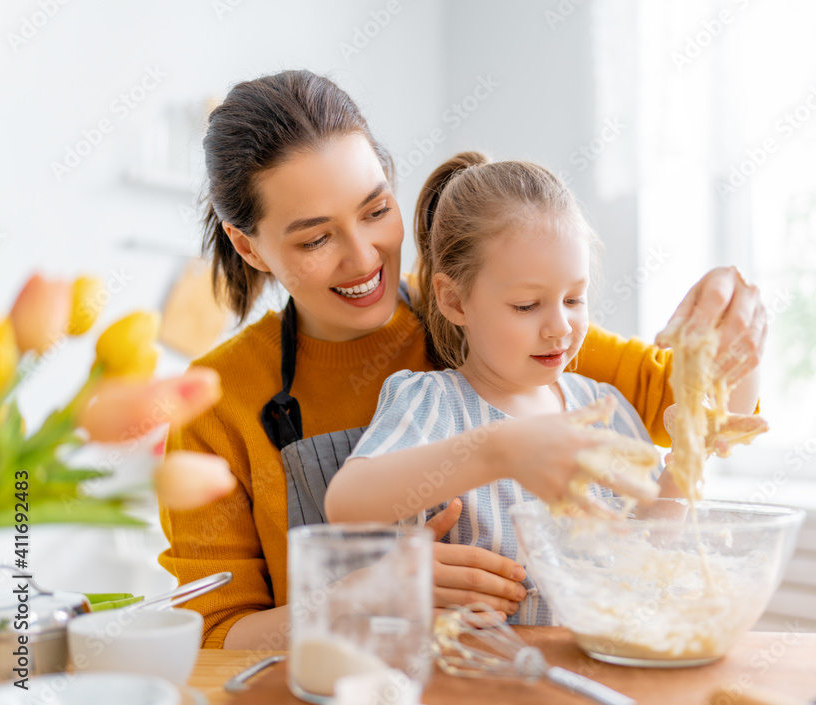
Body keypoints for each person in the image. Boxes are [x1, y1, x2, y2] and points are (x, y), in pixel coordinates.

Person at [159, 69, 765, 650]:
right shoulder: (216, 400)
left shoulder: (498, 315)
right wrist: (370, 593)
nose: (365, 257)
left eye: (376, 210)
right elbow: (214, 637)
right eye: (316, 238)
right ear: (249, 246)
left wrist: (732, 321)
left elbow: (697, 409)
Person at [325, 152, 686, 625]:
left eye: (574, 298)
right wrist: (498, 448)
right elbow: (347, 504)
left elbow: (650, 544)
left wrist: (685, 461)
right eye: (526, 305)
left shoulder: (603, 409)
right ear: (454, 300)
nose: (560, 327)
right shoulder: (435, 404)